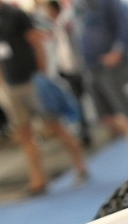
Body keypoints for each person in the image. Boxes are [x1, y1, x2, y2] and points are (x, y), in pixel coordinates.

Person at [0, 0, 88, 195]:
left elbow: (36, 42)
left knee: (55, 125)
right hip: (11, 83)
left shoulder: (16, 14)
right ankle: (38, 179)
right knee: (24, 132)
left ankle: (80, 166)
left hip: (32, 80)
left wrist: (41, 75)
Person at [73, 0, 128, 140]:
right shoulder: (79, 6)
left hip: (112, 66)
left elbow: (125, 25)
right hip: (91, 67)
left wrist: (118, 52)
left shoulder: (109, 2)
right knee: (105, 117)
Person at [44, 0, 91, 147]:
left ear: (54, 9)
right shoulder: (55, 27)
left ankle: (86, 130)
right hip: (66, 69)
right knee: (76, 101)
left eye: (48, 10)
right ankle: (84, 131)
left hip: (78, 67)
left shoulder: (67, 22)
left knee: (84, 98)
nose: (47, 14)